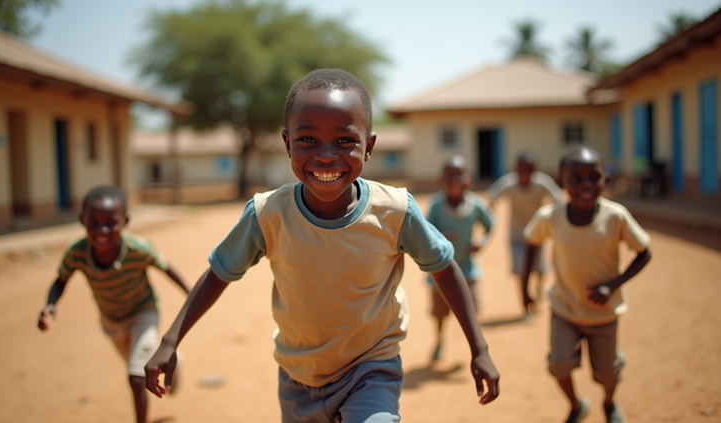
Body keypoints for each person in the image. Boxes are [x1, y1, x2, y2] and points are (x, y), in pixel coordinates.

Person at [144, 69, 500, 422]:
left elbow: (443, 267)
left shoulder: (394, 211)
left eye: (345, 141)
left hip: (371, 368)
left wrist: (479, 348)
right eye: (308, 141)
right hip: (299, 378)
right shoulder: (268, 215)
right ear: (287, 144)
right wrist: (170, 341)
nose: (327, 155)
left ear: (369, 146)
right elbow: (219, 274)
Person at [37, 185, 190, 423]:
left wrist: (190, 294)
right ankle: (175, 360)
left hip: (144, 312)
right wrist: (50, 305)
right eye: (94, 222)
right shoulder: (77, 252)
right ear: (82, 220)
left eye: (111, 222)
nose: (102, 230)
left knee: (136, 375)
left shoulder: (139, 249)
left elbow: (166, 267)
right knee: (137, 365)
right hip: (111, 321)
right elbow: (61, 280)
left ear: (126, 221)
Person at [521, 146, 651, 423]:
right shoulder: (550, 217)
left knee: (606, 373)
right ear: (561, 181)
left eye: (594, 177)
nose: (586, 185)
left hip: (603, 313)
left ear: (606, 179)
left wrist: (613, 284)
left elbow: (644, 253)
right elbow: (532, 244)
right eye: (576, 178)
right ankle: (576, 404)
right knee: (558, 364)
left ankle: (609, 402)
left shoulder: (616, 216)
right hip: (565, 309)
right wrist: (525, 289)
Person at [425, 155, 495, 362]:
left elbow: (491, 224)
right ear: (442, 180)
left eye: (460, 175)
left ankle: (475, 346)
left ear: (469, 179)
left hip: (468, 269)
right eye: (451, 176)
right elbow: (424, 230)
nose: (456, 180)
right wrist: (439, 235)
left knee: (472, 310)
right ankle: (439, 339)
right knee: (440, 314)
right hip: (440, 271)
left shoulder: (476, 204)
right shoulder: (436, 205)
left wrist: (481, 242)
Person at [487, 151, 562, 311]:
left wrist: (551, 217)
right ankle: (525, 302)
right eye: (522, 170)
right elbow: (492, 196)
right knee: (522, 271)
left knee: (539, 269)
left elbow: (558, 199)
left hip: (537, 236)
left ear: (535, 170)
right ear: (515, 170)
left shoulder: (542, 183)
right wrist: (492, 214)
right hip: (516, 236)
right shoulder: (509, 183)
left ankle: (539, 287)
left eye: (530, 170)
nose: (525, 174)